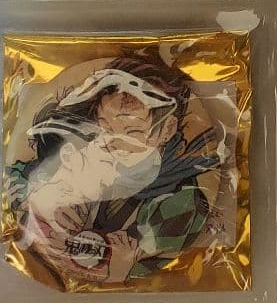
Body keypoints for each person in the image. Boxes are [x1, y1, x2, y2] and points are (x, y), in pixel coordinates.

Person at [5, 55, 221, 283]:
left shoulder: (179, 203)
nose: (114, 144)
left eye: (133, 133)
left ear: (167, 129)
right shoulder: (85, 151)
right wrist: (38, 201)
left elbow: (138, 266)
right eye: (105, 127)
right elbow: (21, 171)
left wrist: (119, 266)